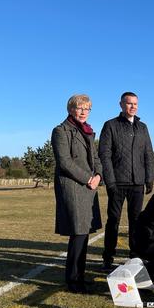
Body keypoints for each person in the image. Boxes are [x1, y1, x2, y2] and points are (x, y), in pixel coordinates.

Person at [52, 94, 103, 294]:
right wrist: (88, 178)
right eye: (80, 108)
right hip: (73, 186)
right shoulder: (60, 131)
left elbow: (95, 157)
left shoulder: (88, 131)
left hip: (89, 187)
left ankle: (80, 276)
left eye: (87, 109)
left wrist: (99, 174)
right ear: (71, 109)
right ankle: (73, 281)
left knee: (84, 233)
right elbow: (64, 162)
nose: (84, 112)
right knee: (78, 233)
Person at [98, 91, 154, 270]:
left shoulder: (143, 127)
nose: (133, 107)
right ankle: (108, 256)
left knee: (136, 221)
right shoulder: (110, 125)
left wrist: (149, 178)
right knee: (113, 219)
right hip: (117, 183)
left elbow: (148, 155)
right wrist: (110, 181)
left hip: (137, 183)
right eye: (129, 103)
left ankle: (135, 255)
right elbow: (104, 155)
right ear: (121, 105)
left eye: (135, 104)